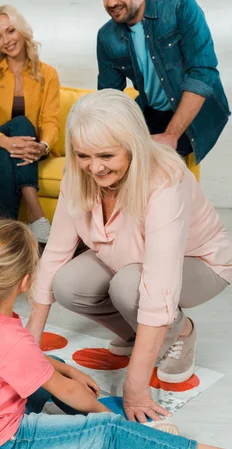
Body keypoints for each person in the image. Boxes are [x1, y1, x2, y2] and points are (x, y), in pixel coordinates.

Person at [0, 217, 232, 449]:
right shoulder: (12, 339)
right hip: (5, 447)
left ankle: (112, 426)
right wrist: (107, 419)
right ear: (25, 282)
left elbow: (15, 360)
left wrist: (69, 369)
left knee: (54, 364)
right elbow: (67, 391)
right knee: (109, 431)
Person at [26, 90, 232, 423]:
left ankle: (180, 331)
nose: (94, 167)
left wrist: (135, 386)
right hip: (126, 260)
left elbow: (159, 282)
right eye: (83, 155)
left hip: (200, 265)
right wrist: (30, 344)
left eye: (106, 155)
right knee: (67, 283)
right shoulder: (78, 175)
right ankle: (145, 336)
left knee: (128, 286)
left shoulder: (166, 179)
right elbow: (55, 254)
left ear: (132, 146)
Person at [96, 0, 230, 162]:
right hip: (152, 110)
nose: (111, 2)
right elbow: (108, 97)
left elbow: (203, 72)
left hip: (193, 112)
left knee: (151, 166)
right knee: (109, 162)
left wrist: (171, 136)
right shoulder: (107, 37)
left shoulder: (180, 5)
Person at [0, 4, 60, 243]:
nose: (6, 40)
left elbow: (50, 121)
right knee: (18, 127)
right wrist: (5, 141)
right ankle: (37, 217)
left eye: (10, 31)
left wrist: (43, 146)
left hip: (33, 147)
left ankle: (7, 225)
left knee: (20, 131)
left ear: (21, 30)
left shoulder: (48, 73)